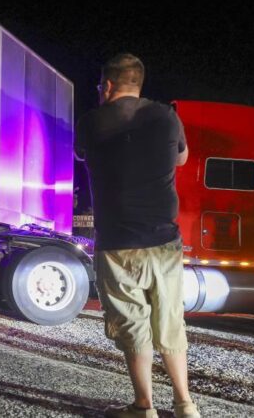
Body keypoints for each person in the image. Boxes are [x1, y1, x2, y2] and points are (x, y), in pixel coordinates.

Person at [75, 53, 199, 418]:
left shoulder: (91, 122)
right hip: (164, 241)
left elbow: (82, 156)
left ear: (107, 86)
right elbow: (181, 159)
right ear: (138, 83)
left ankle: (144, 407)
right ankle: (185, 404)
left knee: (133, 324)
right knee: (170, 321)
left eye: (100, 86)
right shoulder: (165, 116)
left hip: (117, 244)